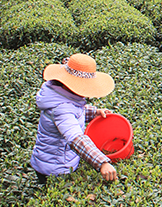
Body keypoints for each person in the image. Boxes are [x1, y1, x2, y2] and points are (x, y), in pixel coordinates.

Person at [31, 54, 119, 184]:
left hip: (55, 160)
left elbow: (75, 111)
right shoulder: (62, 109)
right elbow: (76, 138)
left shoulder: (59, 94)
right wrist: (102, 162)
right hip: (55, 169)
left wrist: (95, 112)